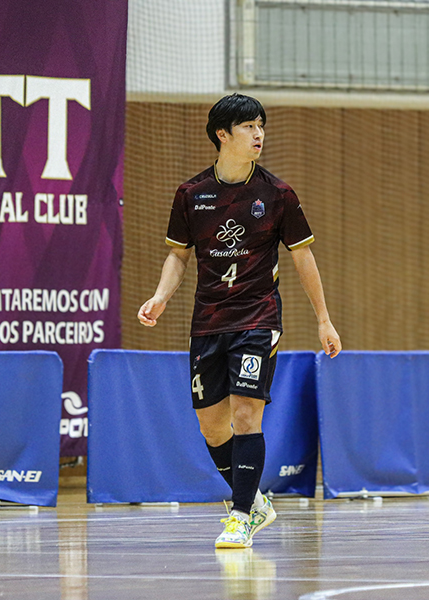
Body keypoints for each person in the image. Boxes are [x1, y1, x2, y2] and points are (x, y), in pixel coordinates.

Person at [138, 93, 341, 549]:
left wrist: (324, 320)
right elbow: (178, 255)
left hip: (257, 317)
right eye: (248, 126)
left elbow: (303, 257)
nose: (258, 134)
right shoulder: (192, 194)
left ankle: (241, 515)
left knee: (247, 414)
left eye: (261, 126)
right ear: (222, 134)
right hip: (208, 321)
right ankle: (256, 501)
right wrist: (160, 297)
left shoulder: (277, 194)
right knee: (212, 426)